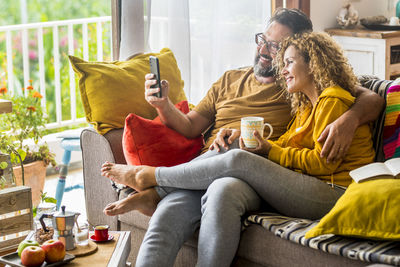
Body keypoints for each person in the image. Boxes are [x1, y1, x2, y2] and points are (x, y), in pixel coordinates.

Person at [102, 9, 384, 267]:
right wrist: (162, 105)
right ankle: (160, 189)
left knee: (227, 181)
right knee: (169, 213)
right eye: (263, 39)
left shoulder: (298, 87)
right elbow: (189, 127)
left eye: (277, 48)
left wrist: (351, 118)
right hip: (204, 168)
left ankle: (152, 180)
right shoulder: (233, 80)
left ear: (303, 55)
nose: (264, 50)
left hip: (250, 176)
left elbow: (367, 95)